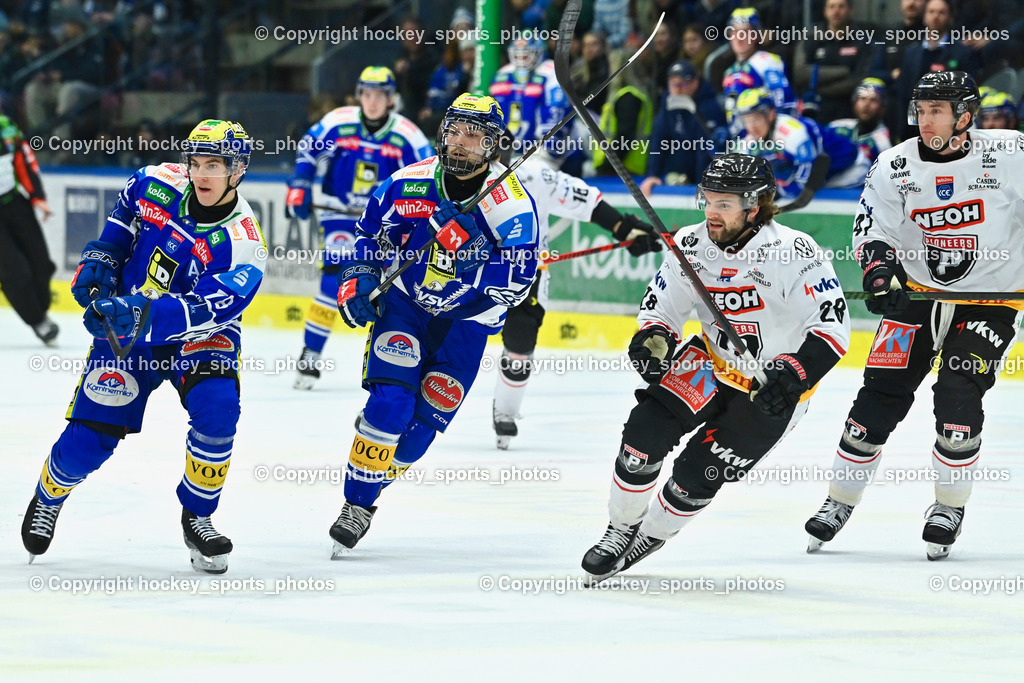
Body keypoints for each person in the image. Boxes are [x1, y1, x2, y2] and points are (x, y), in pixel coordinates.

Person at [581, 153, 850, 581]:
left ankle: (649, 535)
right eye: (708, 199)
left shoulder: (794, 252)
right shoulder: (690, 244)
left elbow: (833, 329)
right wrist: (653, 337)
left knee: (696, 476)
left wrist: (795, 374)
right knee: (642, 436)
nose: (712, 212)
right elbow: (662, 309)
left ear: (754, 206)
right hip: (708, 363)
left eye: (725, 203)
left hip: (769, 389)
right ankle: (619, 529)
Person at [20, 120, 266, 574]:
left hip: (199, 337)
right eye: (196, 163)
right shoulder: (153, 183)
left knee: (218, 411)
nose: (202, 174)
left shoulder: (243, 243)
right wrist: (101, 261)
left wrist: (140, 313)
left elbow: (206, 309)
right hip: (127, 335)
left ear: (238, 171)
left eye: (216, 165)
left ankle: (199, 515)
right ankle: (49, 493)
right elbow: (118, 235)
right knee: (88, 443)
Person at [804, 71, 1023, 561]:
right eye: (921, 111)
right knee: (879, 392)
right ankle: (839, 500)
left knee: (958, 391)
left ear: (965, 115)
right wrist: (881, 275)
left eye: (937, 111)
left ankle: (949, 506)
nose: (926, 121)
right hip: (919, 296)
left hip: (990, 299)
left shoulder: (1010, 154)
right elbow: (872, 228)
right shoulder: (895, 164)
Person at [329, 94, 539, 556]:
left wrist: (471, 256)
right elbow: (368, 235)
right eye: (454, 131)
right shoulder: (407, 183)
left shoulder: (513, 208)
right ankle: (357, 503)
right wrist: (358, 278)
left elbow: (520, 283)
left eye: (474, 135)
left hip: (467, 324)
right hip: (407, 307)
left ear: (494, 146)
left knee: (418, 433)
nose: (460, 143)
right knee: (390, 406)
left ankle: (374, 471)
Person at [491, 157, 662, 449]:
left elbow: (584, 201)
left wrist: (623, 228)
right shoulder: (456, 174)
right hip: (469, 267)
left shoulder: (535, 176)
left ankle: (505, 411)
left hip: (525, 271)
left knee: (520, 344)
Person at [287, 66, 432, 390]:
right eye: (367, 94)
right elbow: (308, 148)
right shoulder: (339, 122)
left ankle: (391, 364)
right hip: (337, 213)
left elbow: (429, 173)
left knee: (391, 290)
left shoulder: (407, 135)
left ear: (390, 99)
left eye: (380, 95)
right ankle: (311, 354)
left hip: (383, 224)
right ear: (359, 95)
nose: (373, 101)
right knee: (333, 280)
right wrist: (299, 183)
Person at [735, 86, 867, 199]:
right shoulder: (749, 140)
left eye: (756, 118)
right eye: (746, 120)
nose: (752, 127)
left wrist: (776, 192)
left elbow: (807, 181)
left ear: (770, 113)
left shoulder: (793, 132)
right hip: (822, 176)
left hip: (851, 170)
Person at [0, 113, 58, 344]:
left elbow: (24, 161)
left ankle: (40, 309)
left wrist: (37, 196)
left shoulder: (6, 127)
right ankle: (38, 321)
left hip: (14, 203)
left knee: (41, 264)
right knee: (15, 272)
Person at [489, 34, 571, 169]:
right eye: (518, 55)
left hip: (540, 151)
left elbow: (556, 114)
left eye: (526, 55)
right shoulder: (502, 75)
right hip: (510, 149)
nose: (522, 59)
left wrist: (548, 149)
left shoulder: (551, 72)